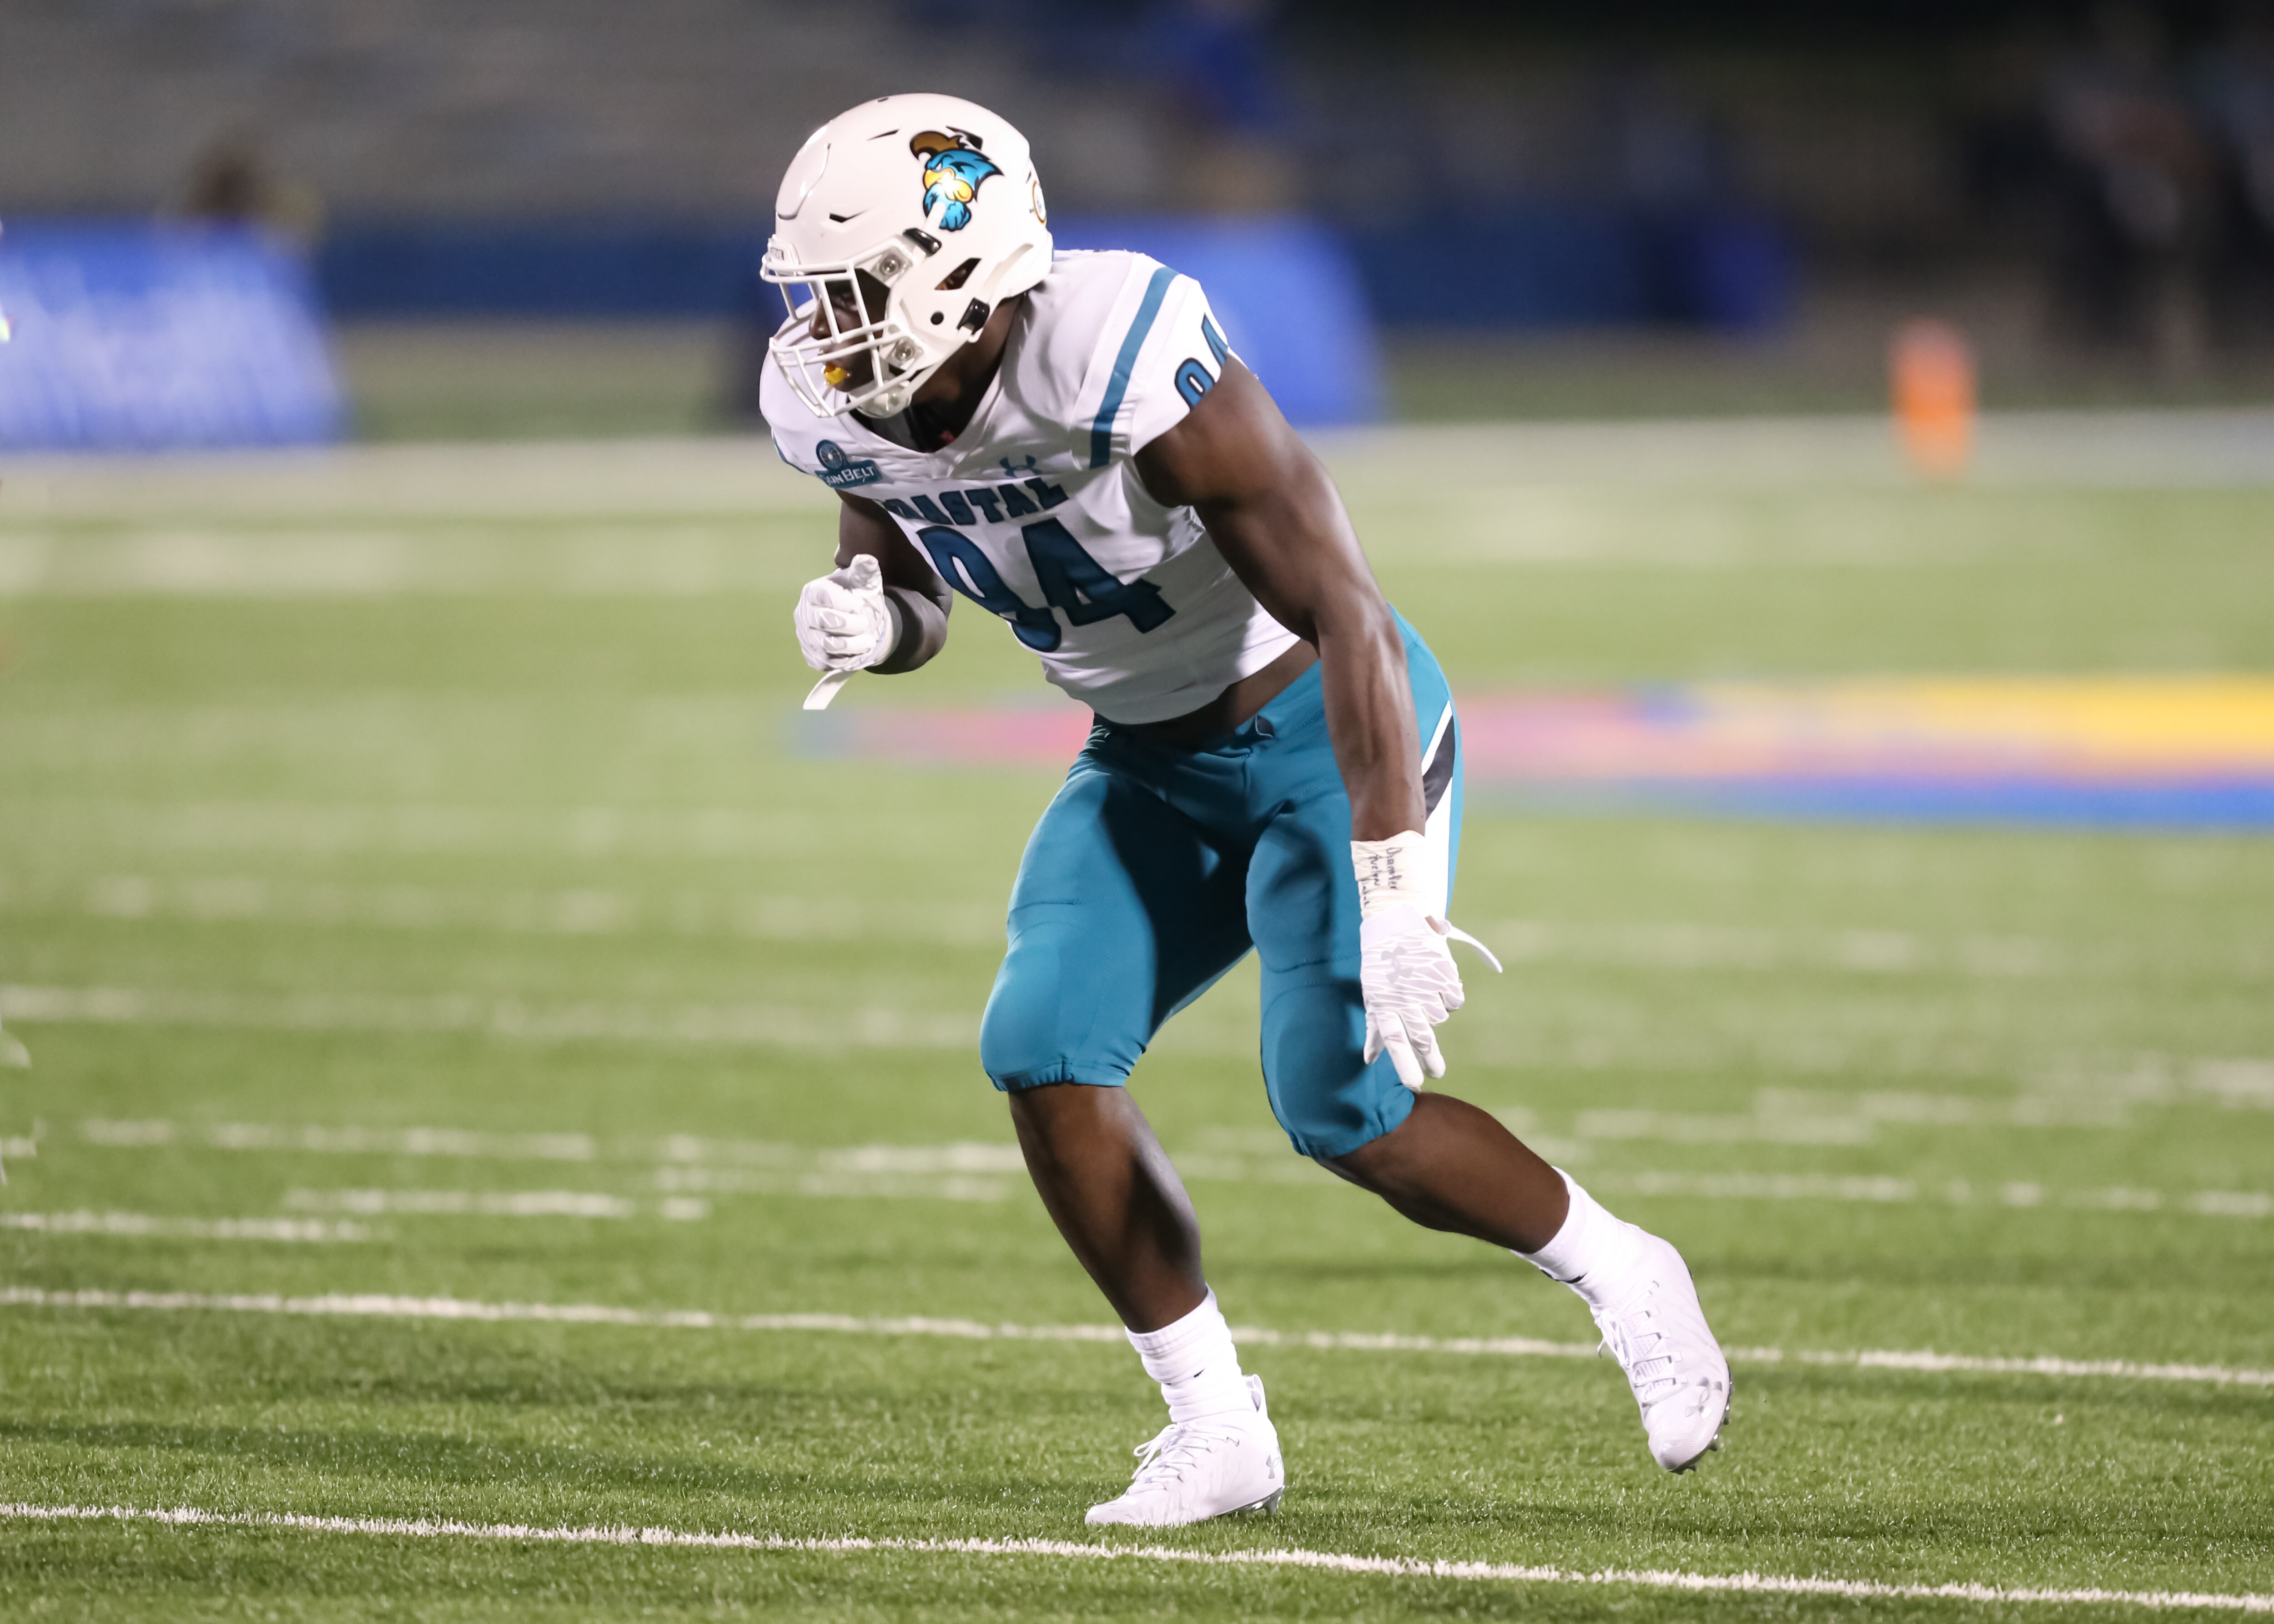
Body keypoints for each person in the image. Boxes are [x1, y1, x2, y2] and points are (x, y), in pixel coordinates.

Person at [760, 93, 1730, 1528]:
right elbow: (905, 560)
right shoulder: (849, 405)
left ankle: (1621, 1265)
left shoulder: (1116, 346)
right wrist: (874, 621)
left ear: (958, 269)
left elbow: (1347, 608)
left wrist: (1393, 875)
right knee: (1040, 1047)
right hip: (1146, 757)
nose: (828, 331)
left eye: (856, 290)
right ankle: (1217, 1427)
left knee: (1345, 1109)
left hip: (1322, 727)